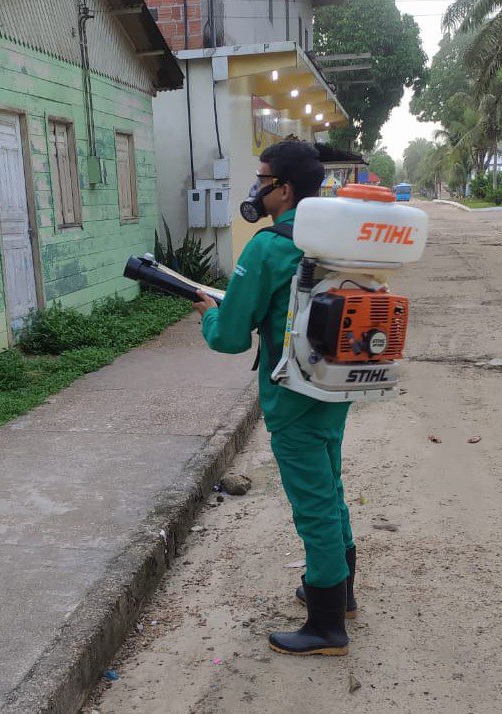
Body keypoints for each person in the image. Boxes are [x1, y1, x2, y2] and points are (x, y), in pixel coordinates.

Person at [192, 141, 357, 656]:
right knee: (328, 486)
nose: (257, 187)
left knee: (311, 503)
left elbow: (231, 336)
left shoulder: (267, 247)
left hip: (292, 391)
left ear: (283, 189)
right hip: (337, 381)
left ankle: (327, 626)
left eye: (263, 178)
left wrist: (209, 314)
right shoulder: (336, 242)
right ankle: (340, 590)